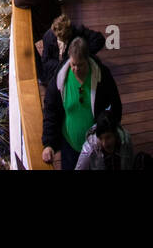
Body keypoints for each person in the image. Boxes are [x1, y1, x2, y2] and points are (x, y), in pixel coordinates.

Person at [41, 36, 122, 171]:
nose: (76, 69)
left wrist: (107, 137)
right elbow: (51, 110)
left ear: (88, 60)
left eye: (80, 65)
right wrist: (49, 144)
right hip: (69, 147)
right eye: (73, 64)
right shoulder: (60, 79)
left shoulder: (103, 76)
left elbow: (116, 106)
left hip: (97, 147)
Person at [39, 14, 105, 87]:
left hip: (76, 67)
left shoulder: (77, 30)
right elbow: (45, 60)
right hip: (58, 67)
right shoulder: (47, 37)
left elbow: (99, 39)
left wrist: (82, 52)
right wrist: (64, 64)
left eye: (64, 40)